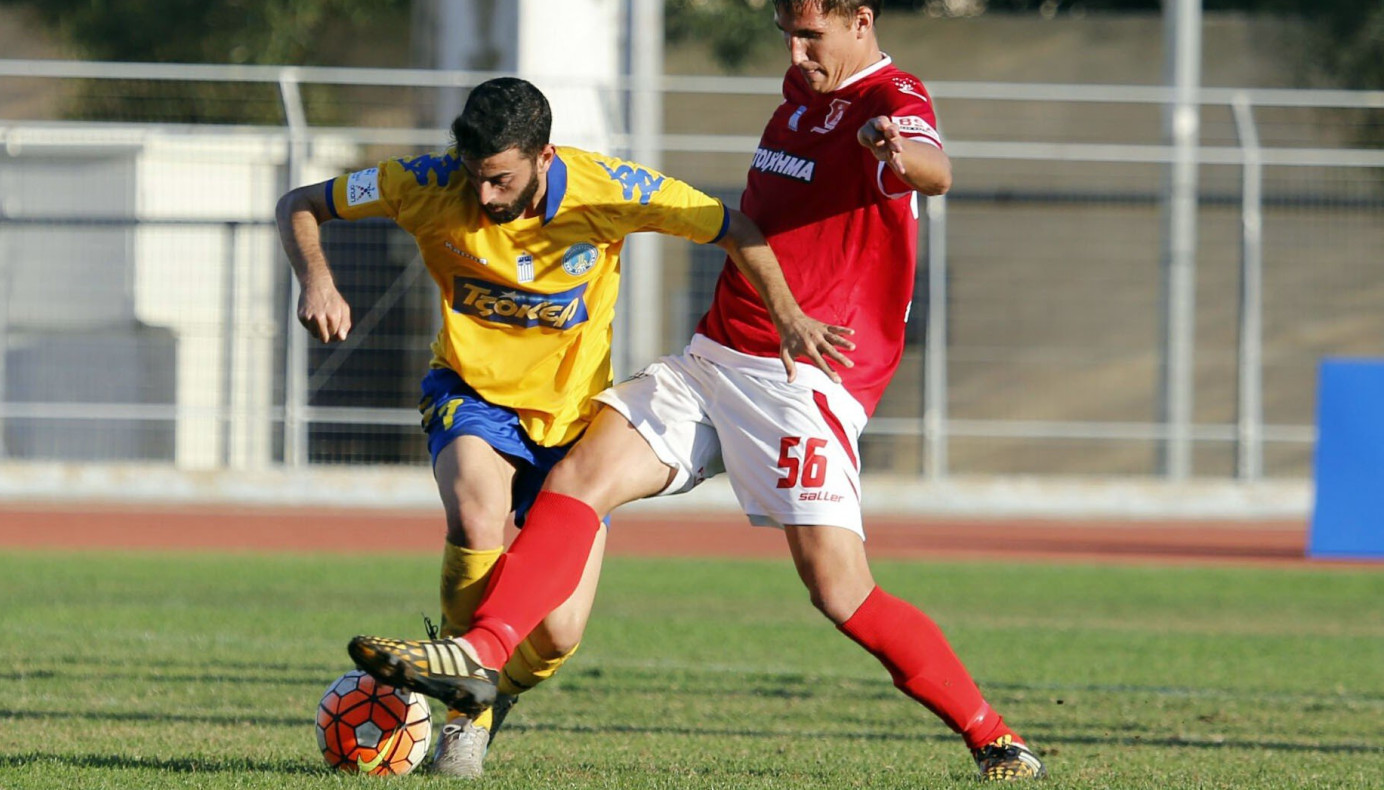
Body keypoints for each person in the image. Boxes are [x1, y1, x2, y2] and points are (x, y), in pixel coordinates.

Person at [347, 1, 1048, 782]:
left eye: (812, 32)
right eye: (787, 30)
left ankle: (994, 736)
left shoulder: (892, 96)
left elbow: (933, 169)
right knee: (578, 481)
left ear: (861, 20)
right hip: (713, 357)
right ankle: (479, 656)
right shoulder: (799, 92)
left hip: (803, 378)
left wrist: (899, 153)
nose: (796, 46)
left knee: (839, 590)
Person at [276, 76, 851, 778]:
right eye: (474, 177)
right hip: (473, 395)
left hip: (576, 425)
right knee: (475, 514)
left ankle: (494, 688)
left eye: (500, 180)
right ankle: (467, 704)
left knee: (556, 635)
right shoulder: (421, 183)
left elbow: (733, 227)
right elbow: (300, 204)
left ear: (544, 157)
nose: (483, 197)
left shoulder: (610, 190)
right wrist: (317, 280)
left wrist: (788, 315)